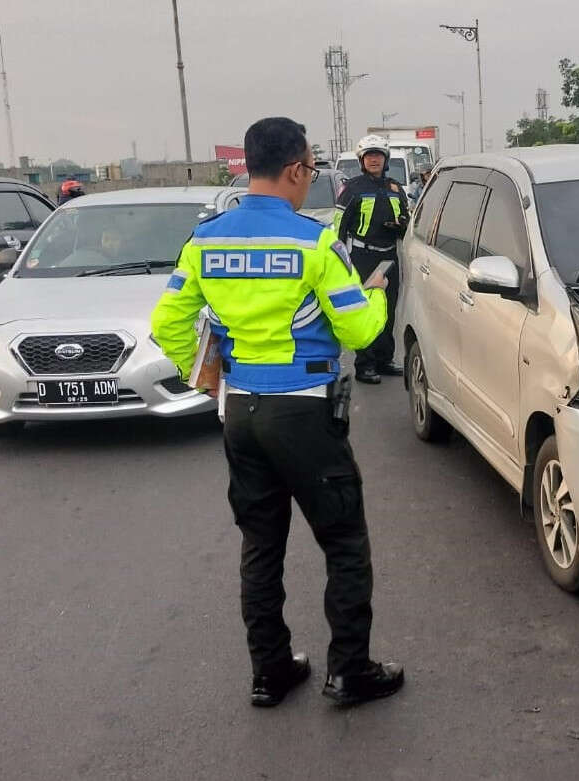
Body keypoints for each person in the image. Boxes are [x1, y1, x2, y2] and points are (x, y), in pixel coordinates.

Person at [150, 117, 405, 708]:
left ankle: (270, 671)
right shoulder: (312, 242)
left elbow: (166, 324)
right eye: (311, 170)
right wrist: (373, 293)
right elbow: (360, 330)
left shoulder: (204, 240)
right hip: (304, 413)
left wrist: (213, 372)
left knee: (260, 546)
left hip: (239, 410)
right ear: (294, 170)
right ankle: (350, 671)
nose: (310, 180)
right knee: (343, 542)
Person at [334, 134, 409, 385]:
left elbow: (407, 222)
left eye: (378, 155)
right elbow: (339, 225)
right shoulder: (352, 188)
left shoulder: (396, 188)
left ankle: (384, 359)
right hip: (362, 257)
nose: (374, 160)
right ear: (361, 160)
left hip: (389, 255)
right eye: (369, 156)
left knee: (388, 309)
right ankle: (364, 365)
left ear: (385, 159)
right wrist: (340, 260)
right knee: (365, 311)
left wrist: (401, 226)